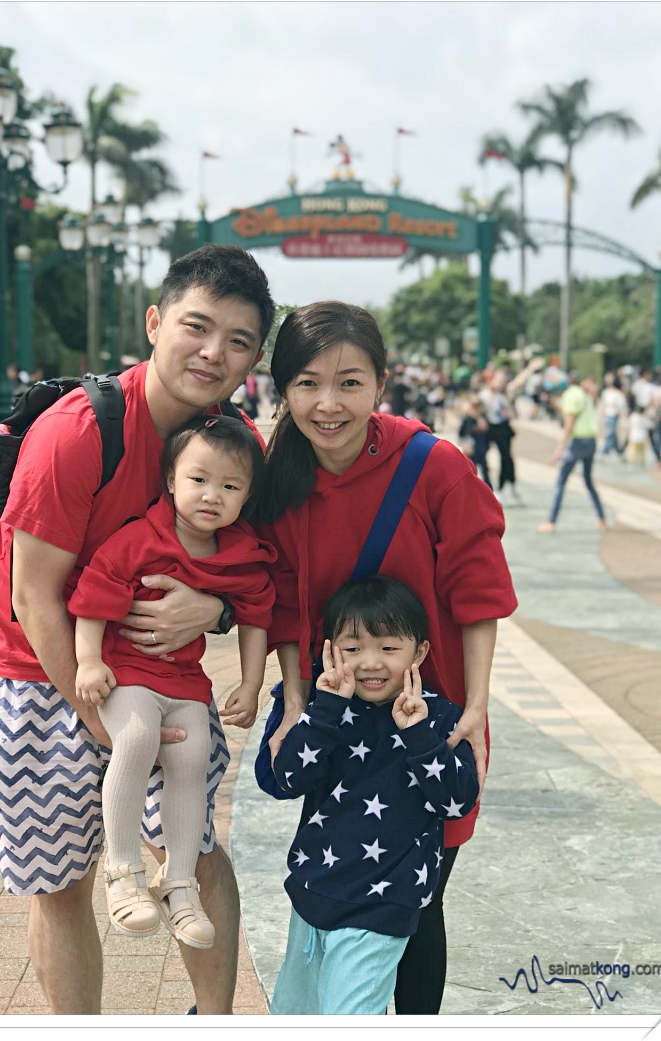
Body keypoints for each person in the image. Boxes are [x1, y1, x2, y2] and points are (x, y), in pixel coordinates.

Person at [0, 244, 275, 1015]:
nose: (214, 353)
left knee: (194, 853)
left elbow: (254, 570)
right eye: (197, 328)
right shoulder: (80, 431)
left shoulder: (233, 448)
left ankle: (215, 1022)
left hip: (161, 680)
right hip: (32, 679)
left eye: (238, 341)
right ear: (154, 322)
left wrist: (217, 611)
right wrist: (97, 717)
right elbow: (34, 596)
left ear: (255, 359)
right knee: (62, 884)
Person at [253, 301, 517, 1015]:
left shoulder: (434, 465)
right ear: (282, 389)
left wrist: (479, 709)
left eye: (349, 383)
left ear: (381, 383)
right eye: (306, 384)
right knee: (342, 887)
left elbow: (480, 591)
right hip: (338, 716)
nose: (327, 404)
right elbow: (279, 596)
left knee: (417, 901)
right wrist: (298, 701)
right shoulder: (280, 473)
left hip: (429, 720)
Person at [68, 415, 275, 945]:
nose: (212, 496)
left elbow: (256, 615)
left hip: (185, 680)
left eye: (230, 487)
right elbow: (95, 593)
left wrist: (252, 684)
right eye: (198, 479)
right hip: (128, 670)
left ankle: (178, 884)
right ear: (170, 481)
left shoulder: (239, 553)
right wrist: (88, 661)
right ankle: (122, 873)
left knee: (194, 756)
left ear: (247, 496)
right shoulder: (140, 538)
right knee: (135, 738)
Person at [268, 576, 479, 1015]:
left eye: (387, 649)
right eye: (352, 648)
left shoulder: (439, 718)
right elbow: (288, 780)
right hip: (312, 896)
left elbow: (457, 801)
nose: (369, 663)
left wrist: (419, 735)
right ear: (330, 649)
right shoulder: (327, 711)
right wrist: (324, 709)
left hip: (383, 908)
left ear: (418, 652)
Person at [537, 372, 607, 534]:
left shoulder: (570, 396)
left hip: (578, 442)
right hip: (591, 441)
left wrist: (558, 450)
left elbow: (569, 424)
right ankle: (601, 518)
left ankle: (551, 521)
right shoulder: (581, 393)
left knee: (561, 481)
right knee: (588, 481)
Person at [480, 368, 522, 506]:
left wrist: (509, 413)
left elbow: (511, 412)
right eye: (497, 381)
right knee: (481, 456)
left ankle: (505, 486)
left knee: (506, 457)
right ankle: (486, 487)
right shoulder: (483, 396)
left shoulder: (502, 397)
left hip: (502, 429)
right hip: (488, 429)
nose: (500, 384)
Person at [457, 393, 491, 489]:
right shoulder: (467, 420)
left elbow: (488, 434)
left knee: (485, 471)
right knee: (471, 470)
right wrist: (464, 444)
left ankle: (488, 491)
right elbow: (462, 434)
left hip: (481, 449)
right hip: (471, 450)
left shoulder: (482, 419)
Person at [599, 372, 628, 458]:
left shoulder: (617, 393)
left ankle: (605, 450)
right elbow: (603, 404)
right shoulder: (605, 392)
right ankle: (618, 450)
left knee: (611, 432)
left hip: (614, 414)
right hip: (607, 414)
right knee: (612, 433)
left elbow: (621, 405)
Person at [626, 403, 653, 468]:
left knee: (633, 451)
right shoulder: (644, 418)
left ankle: (632, 463)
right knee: (642, 452)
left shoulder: (633, 417)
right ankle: (641, 463)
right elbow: (651, 426)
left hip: (634, 436)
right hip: (643, 437)